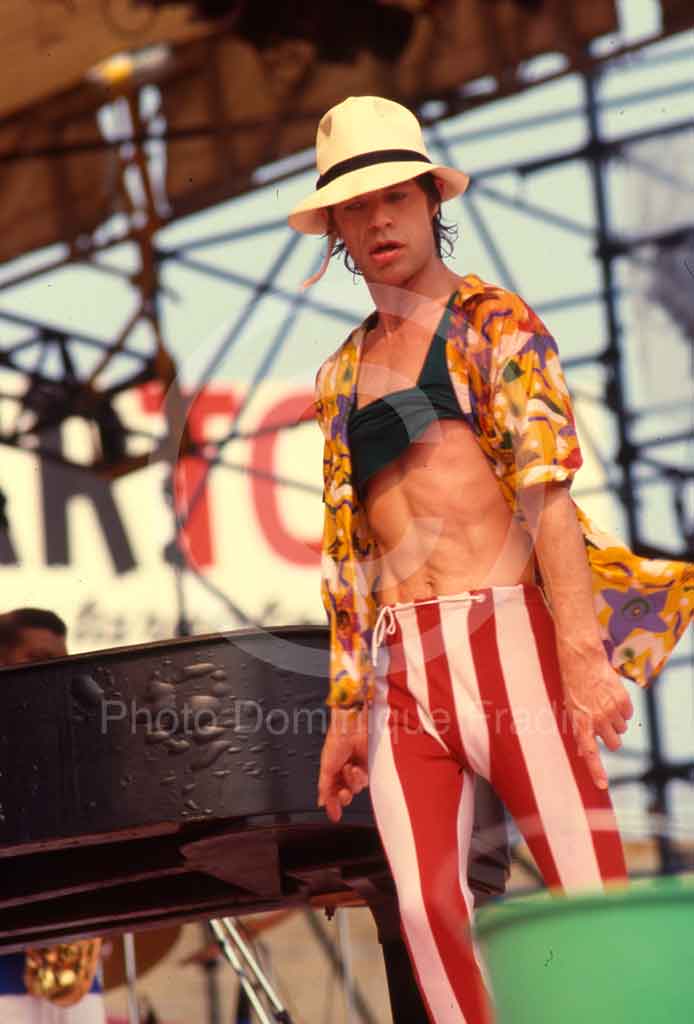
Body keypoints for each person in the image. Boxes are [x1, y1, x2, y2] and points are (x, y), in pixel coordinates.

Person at [288, 96, 694, 1023]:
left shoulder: (492, 322)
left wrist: (584, 656)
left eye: (397, 196)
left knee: (592, 894)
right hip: (401, 666)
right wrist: (347, 708)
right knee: (430, 912)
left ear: (432, 198)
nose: (380, 219)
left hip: (508, 633)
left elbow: (549, 492)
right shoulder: (341, 372)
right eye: (358, 206)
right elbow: (347, 549)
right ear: (339, 231)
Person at [0, 608, 107, 1024]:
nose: (57, 676)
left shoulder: (71, 744)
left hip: (75, 979)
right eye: (40, 663)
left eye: (63, 663)